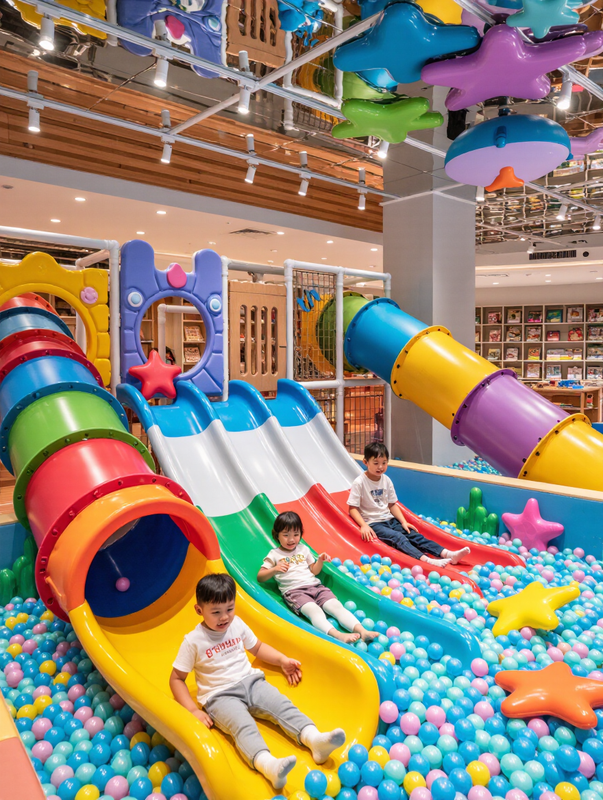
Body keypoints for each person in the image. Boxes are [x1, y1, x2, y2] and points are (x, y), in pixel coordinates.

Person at [170, 573, 345, 790]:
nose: (224, 617)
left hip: (251, 682)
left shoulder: (237, 624)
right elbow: (176, 679)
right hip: (220, 696)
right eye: (216, 612)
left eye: (229, 609)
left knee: (282, 705)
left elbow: (258, 648)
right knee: (242, 725)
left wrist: (281, 660)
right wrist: (192, 710)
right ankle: (268, 765)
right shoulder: (193, 641)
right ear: (199, 610)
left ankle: (314, 739)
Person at [258, 511, 379, 645]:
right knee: (314, 611)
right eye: (286, 535)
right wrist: (274, 569)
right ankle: (338, 635)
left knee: (336, 606)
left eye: (296, 535)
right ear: (277, 535)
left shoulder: (303, 549)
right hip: (295, 592)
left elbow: (314, 571)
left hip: (315, 586)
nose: (291, 539)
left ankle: (362, 631)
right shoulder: (274, 554)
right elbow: (260, 577)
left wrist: (320, 560)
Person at [348, 442, 470, 567]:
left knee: (413, 535)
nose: (380, 467)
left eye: (384, 463)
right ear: (365, 462)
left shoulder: (386, 480)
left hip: (390, 520)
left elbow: (392, 505)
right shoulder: (360, 482)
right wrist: (363, 525)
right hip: (374, 523)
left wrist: (403, 522)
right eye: (376, 463)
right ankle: (427, 560)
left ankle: (447, 554)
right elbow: (352, 508)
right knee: (397, 537)